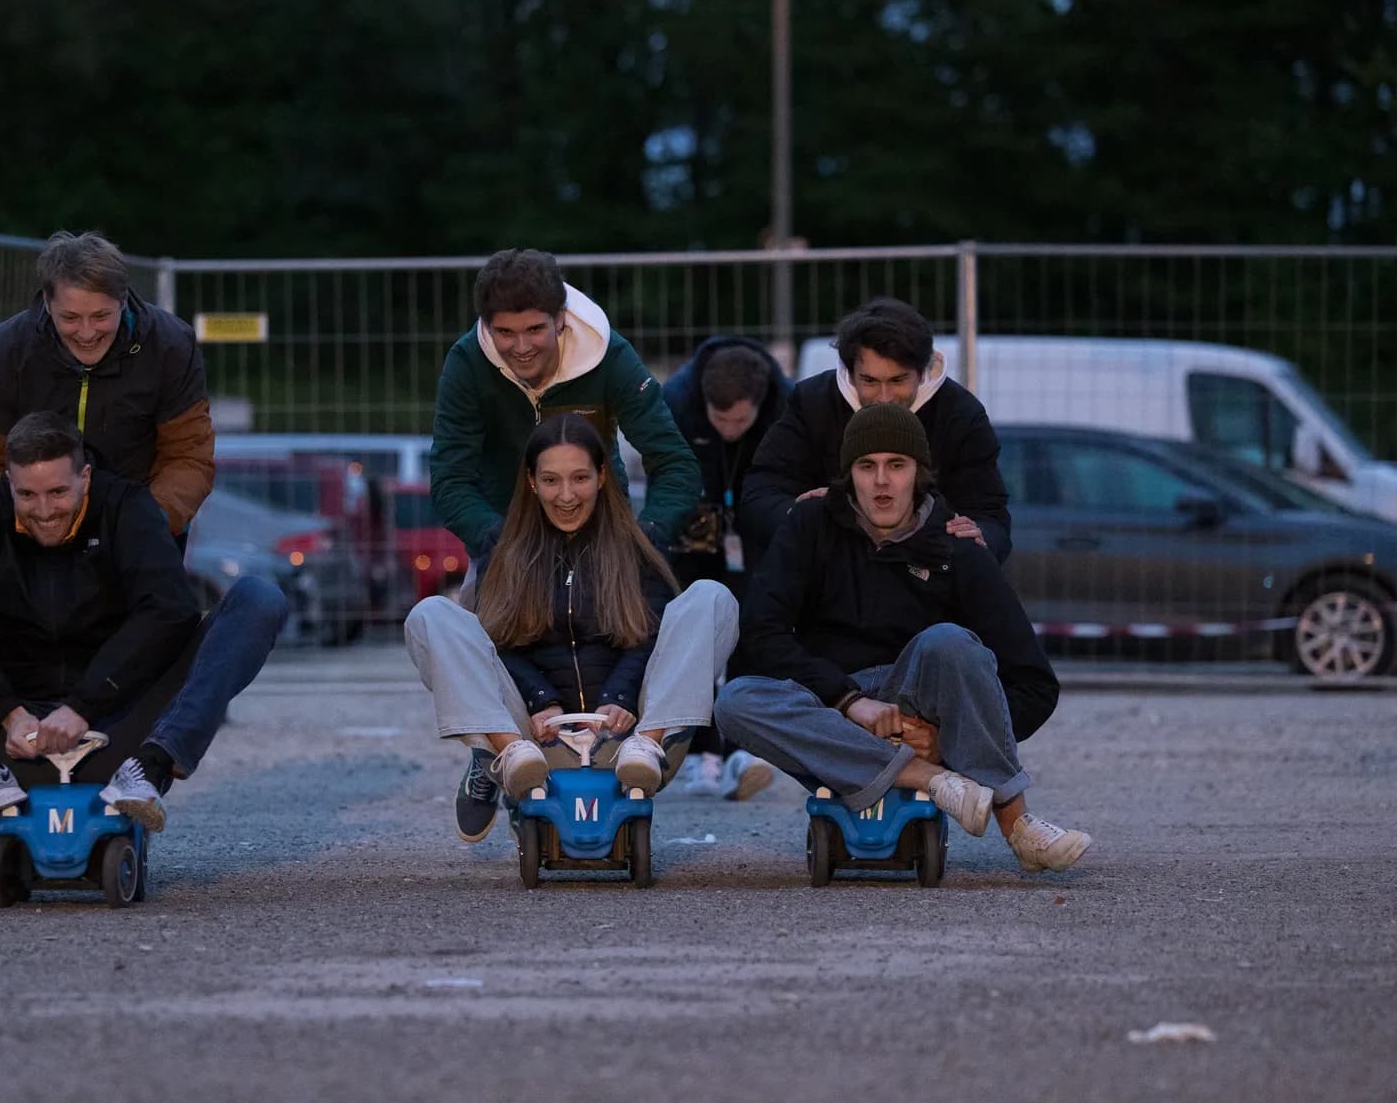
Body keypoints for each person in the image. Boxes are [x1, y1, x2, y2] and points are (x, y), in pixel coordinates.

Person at [0, 413, 287, 833]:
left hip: (119, 725)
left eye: (58, 492)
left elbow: (169, 612)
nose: (43, 510)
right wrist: (6, 712)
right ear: (8, 481)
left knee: (259, 598)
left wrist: (84, 706)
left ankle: (151, 767)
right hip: (15, 737)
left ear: (84, 477)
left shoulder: (127, 509)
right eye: (26, 494)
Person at [715, 403, 1090, 872]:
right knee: (735, 701)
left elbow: (1035, 684)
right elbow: (762, 631)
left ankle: (1016, 822)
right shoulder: (809, 526)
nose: (881, 481)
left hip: (916, 705)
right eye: (866, 466)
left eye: (897, 465)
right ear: (848, 473)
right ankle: (926, 778)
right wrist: (846, 700)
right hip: (835, 718)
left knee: (951, 641)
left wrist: (945, 738)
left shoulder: (956, 546)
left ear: (919, 472)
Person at [406, 413, 737, 843]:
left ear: (602, 476)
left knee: (711, 596)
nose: (566, 495)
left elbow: (652, 637)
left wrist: (619, 699)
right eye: (551, 480)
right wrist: (541, 701)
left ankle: (650, 744)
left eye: (579, 477)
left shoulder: (637, 545)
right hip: (534, 735)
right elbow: (496, 645)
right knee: (431, 614)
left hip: (628, 733)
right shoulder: (503, 548)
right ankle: (504, 752)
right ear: (531, 482)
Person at [430, 248, 701, 571]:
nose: (521, 348)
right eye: (505, 332)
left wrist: (648, 535)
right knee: (476, 617)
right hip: (505, 547)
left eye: (534, 330)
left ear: (559, 318)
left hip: (603, 544)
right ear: (487, 327)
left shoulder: (610, 357)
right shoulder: (467, 363)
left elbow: (675, 461)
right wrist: (495, 539)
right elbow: (450, 478)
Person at [0, 231, 214, 538]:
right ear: (47, 302)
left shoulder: (170, 347)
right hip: (32, 530)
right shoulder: (1, 353)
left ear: (122, 301)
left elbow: (188, 457)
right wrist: (20, 526)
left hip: (138, 525)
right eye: (70, 317)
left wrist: (150, 521)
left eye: (100, 316)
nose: (86, 332)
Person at [739, 296, 1012, 565]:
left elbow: (990, 515)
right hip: (825, 576)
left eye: (898, 380)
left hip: (926, 581)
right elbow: (760, 494)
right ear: (849, 370)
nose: (884, 396)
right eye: (869, 380)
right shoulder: (813, 401)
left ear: (924, 369)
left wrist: (978, 538)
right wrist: (796, 513)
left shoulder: (961, 414)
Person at [661, 336, 792, 803]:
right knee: (694, 637)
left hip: (754, 531)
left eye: (740, 421)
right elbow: (661, 466)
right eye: (720, 421)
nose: (730, 429)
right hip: (693, 532)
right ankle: (700, 751)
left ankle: (743, 749)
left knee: (752, 631)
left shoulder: (787, 403)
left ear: (759, 405)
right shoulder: (675, 399)